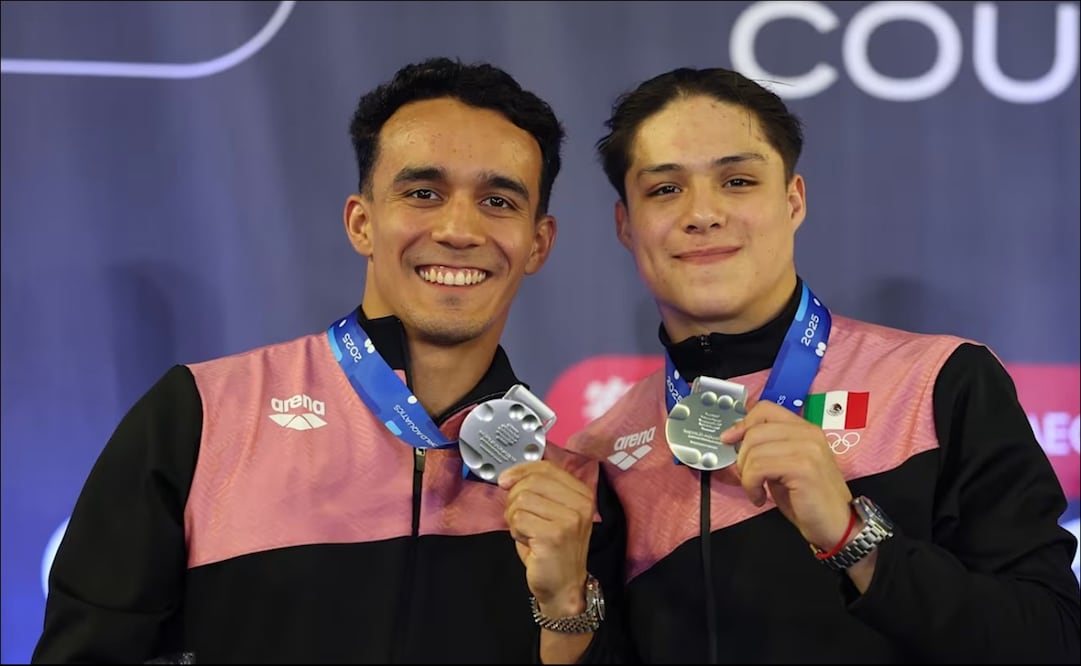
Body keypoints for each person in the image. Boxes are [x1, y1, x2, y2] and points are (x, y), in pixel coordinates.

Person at [32, 57, 625, 665]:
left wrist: (566, 609)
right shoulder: (203, 417)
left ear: (538, 243)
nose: (458, 228)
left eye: (498, 201)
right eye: (424, 193)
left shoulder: (576, 492)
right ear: (362, 223)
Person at [565, 65, 1080, 663]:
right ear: (626, 224)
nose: (702, 213)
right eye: (665, 189)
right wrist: (562, 608)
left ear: (793, 201)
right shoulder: (602, 453)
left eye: (737, 181)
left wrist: (852, 537)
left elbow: (1052, 639)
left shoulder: (939, 383)